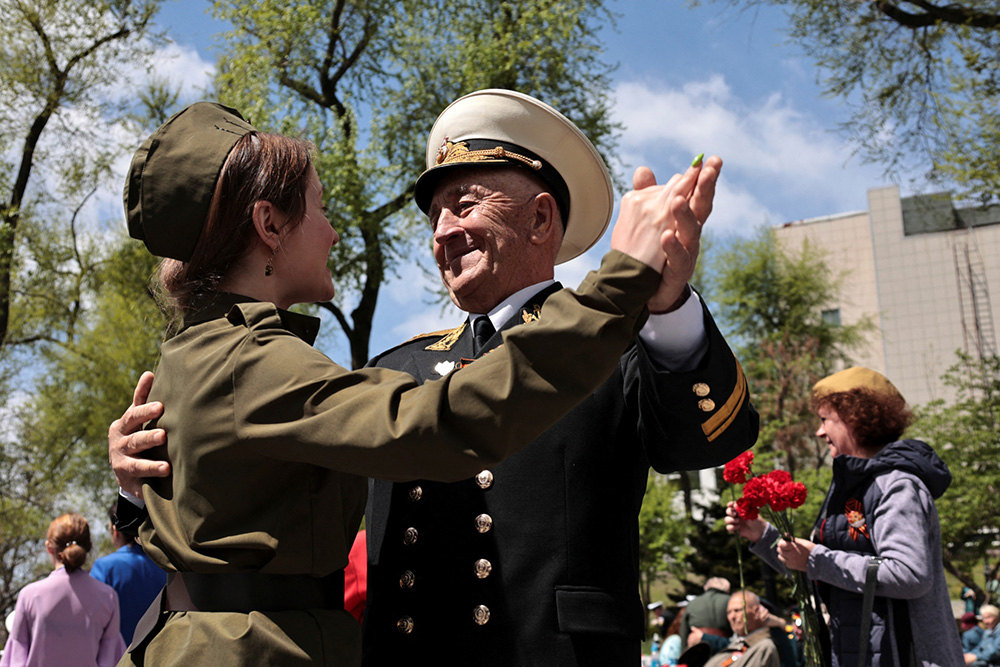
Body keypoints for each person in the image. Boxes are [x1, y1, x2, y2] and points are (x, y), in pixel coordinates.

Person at [109, 90, 759, 665]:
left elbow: (706, 442)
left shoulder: (610, 349)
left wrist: (665, 303)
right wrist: (149, 481)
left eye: (464, 202)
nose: (441, 231)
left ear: (539, 218)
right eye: (434, 214)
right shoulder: (395, 367)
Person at [726, 367, 964, 667]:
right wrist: (763, 535)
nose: (819, 432)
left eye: (826, 420)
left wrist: (816, 560)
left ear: (858, 419)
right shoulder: (852, 488)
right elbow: (827, 576)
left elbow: (910, 575)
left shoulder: (896, 485)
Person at [0, 513, 125, 666]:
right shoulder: (107, 597)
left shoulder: (30, 595)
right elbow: (111, 659)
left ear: (49, 547)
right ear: (87, 547)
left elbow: (15, 659)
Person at [90, 500, 167, 645]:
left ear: (115, 531)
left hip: (118, 657)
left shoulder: (104, 568)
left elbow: (92, 619)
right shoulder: (165, 567)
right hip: (160, 654)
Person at [699, 590, 798, 667]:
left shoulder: (764, 647)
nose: (732, 617)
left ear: (756, 612)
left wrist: (778, 622)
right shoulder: (735, 644)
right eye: (729, 612)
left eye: (737, 610)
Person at [682, 577, 733, 651]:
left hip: (698, 649)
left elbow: (684, 632)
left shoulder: (692, 603)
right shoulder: (731, 601)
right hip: (725, 648)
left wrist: (684, 651)